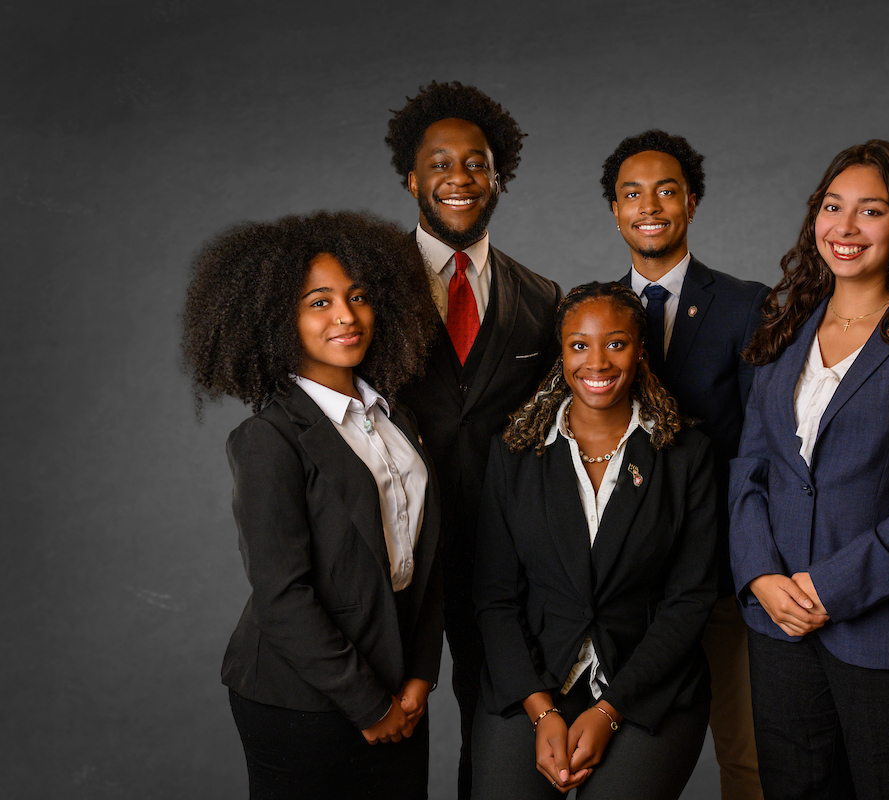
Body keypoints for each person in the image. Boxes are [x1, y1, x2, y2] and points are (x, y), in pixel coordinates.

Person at [730, 140, 889, 800]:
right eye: (832, 206)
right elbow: (751, 466)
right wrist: (760, 574)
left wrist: (830, 588)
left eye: (870, 211)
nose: (844, 228)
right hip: (779, 629)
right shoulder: (783, 323)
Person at [181, 211, 444, 799]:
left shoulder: (399, 420)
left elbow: (423, 562)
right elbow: (283, 595)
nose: (346, 317)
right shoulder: (268, 439)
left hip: (400, 686)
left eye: (358, 297)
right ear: (279, 321)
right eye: (318, 303)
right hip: (300, 697)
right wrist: (370, 705)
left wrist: (423, 672)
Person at [385, 81, 563, 800]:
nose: (459, 178)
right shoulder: (367, 290)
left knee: (496, 745)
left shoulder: (542, 299)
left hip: (502, 567)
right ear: (411, 177)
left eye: (477, 164)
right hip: (400, 562)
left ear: (499, 178)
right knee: (392, 736)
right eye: (440, 163)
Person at [472, 282, 718, 799]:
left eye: (617, 343)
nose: (598, 362)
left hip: (647, 684)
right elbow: (495, 598)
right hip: (534, 678)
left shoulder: (684, 455)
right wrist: (541, 712)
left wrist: (610, 710)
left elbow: (689, 600)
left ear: (640, 351)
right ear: (560, 356)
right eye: (579, 345)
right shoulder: (515, 454)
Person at [602, 129, 770, 800]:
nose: (650, 205)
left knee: (750, 757)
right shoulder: (590, 316)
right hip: (631, 587)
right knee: (627, 765)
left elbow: (766, 446)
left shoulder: (743, 304)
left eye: (666, 190)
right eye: (632, 193)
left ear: (692, 203)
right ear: (614, 210)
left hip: (727, 577)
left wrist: (762, 565)